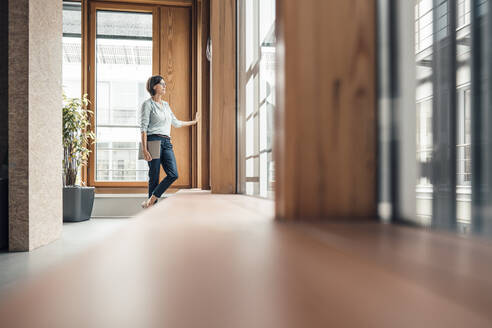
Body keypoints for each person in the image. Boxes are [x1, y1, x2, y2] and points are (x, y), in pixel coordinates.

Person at [139, 75, 199, 208]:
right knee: (154, 176)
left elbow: (176, 123)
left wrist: (194, 122)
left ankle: (151, 200)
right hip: (153, 140)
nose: (165, 86)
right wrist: (144, 149)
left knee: (173, 174)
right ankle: (151, 209)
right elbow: (143, 128)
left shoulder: (165, 105)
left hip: (166, 142)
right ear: (154, 86)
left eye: (165, 84)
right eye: (162, 84)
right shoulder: (147, 104)